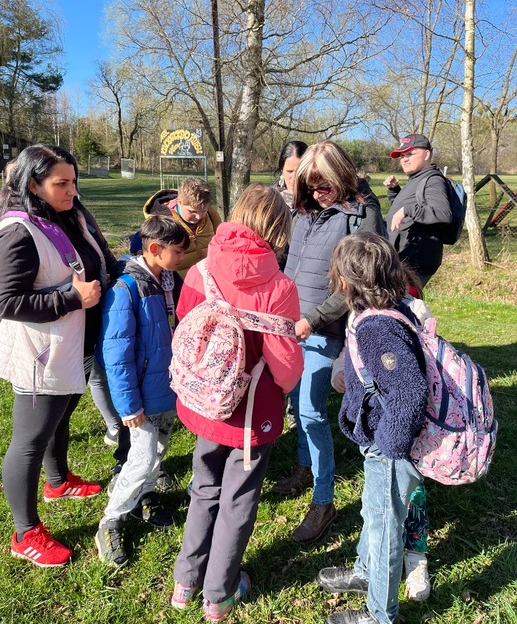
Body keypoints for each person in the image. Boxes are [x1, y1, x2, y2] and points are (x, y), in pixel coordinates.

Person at [171, 184, 304, 621]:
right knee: (238, 499)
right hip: (250, 412)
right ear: (278, 229)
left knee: (203, 487)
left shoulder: (201, 269)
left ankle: (185, 581)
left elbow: (185, 324)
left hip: (204, 402)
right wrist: (285, 387)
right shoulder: (279, 286)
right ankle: (219, 593)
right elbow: (285, 365)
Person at [0, 145, 115, 567]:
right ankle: (24, 533)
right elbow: (3, 301)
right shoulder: (17, 231)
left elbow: (96, 259)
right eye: (61, 183)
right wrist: (71, 299)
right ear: (33, 184)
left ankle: (58, 481)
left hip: (73, 346)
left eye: (73, 181)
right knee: (29, 442)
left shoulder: (66, 213)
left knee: (60, 418)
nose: (72, 190)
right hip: (40, 355)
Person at [272, 141, 385, 544]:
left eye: (325, 185)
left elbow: (356, 283)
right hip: (291, 327)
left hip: (324, 331)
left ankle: (324, 502)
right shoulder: (302, 211)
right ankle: (305, 467)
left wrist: (314, 319)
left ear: (343, 175)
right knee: (297, 403)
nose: (319, 193)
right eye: (311, 185)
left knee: (310, 411)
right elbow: (288, 262)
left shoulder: (361, 215)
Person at [317, 231, 428, 624]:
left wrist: (389, 447)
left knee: (385, 529)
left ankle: (381, 614)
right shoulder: (387, 310)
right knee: (374, 509)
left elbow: (409, 391)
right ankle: (365, 572)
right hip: (380, 440)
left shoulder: (376, 327)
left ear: (347, 281)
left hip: (389, 446)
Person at [94, 215, 189, 566]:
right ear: (155, 248)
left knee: (159, 450)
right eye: (178, 251)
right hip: (141, 398)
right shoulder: (126, 289)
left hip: (165, 388)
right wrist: (129, 406)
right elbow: (116, 354)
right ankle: (111, 519)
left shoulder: (168, 280)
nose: (182, 257)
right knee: (142, 457)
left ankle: (144, 497)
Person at [384, 133, 453, 287]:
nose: (404, 159)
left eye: (410, 154)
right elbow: (406, 213)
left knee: (399, 302)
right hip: (405, 259)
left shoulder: (433, 180)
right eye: (402, 156)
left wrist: (407, 209)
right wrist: (394, 191)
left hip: (415, 263)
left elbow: (443, 214)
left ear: (426, 154)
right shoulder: (417, 178)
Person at [272, 140, 308, 429]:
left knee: (298, 344)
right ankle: (276, 399)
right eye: (289, 171)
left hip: (303, 283)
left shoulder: (317, 200)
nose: (294, 178)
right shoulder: (272, 199)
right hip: (273, 280)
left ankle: (296, 404)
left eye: (300, 170)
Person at [131, 177, 221, 278]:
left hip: (210, 281)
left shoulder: (212, 216)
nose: (199, 216)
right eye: (192, 211)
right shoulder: (161, 226)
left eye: (203, 211)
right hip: (177, 284)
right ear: (179, 202)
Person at [273, 140, 308, 208]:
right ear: (282, 170)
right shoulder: (270, 199)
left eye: (299, 172)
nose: (294, 178)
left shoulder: (319, 199)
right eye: (289, 171)